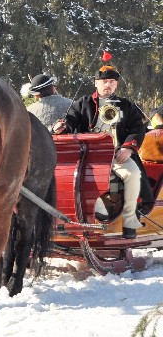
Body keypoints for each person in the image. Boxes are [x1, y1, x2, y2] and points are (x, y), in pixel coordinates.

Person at [62, 54, 151, 238]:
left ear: (116, 84)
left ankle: (129, 219)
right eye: (104, 82)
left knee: (133, 173)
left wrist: (128, 147)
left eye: (111, 81)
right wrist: (61, 127)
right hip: (87, 157)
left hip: (118, 155)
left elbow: (137, 128)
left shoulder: (126, 106)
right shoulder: (83, 103)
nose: (108, 85)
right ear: (96, 83)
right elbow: (69, 122)